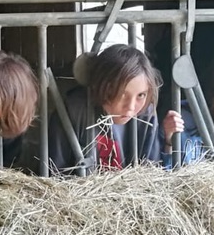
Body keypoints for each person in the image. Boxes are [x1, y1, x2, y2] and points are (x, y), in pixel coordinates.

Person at [47, 45, 181, 174]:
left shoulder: (145, 112)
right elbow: (55, 174)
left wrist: (169, 141)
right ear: (103, 87)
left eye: (141, 95)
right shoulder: (73, 111)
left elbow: (153, 170)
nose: (131, 107)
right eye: (122, 94)